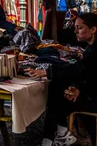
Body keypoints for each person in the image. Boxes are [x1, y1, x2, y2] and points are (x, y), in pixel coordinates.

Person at [27, 13, 97, 146]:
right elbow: (88, 74)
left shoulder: (95, 50)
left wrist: (47, 72)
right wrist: (78, 88)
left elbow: (80, 69)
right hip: (90, 93)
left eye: (79, 28)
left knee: (57, 93)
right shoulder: (91, 48)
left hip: (94, 99)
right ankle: (59, 134)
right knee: (58, 87)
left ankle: (52, 137)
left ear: (93, 29)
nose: (75, 31)